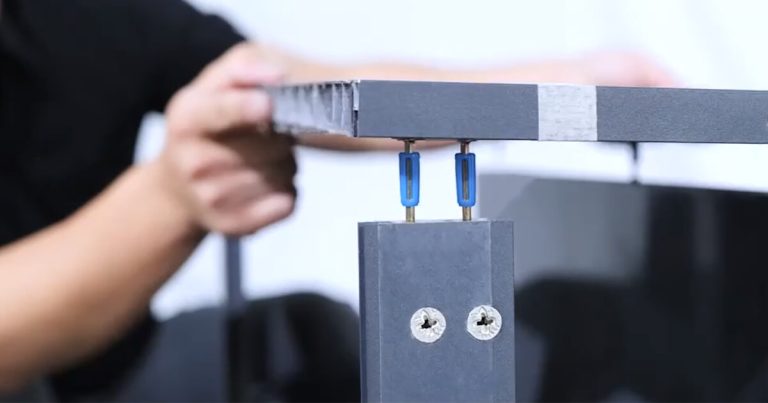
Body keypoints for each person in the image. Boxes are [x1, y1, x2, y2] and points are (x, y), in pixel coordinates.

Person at [0, 0, 676, 400]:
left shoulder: (81, 17)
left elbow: (313, 89)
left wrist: (565, 84)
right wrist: (168, 200)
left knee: (318, 333)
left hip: (115, 366)